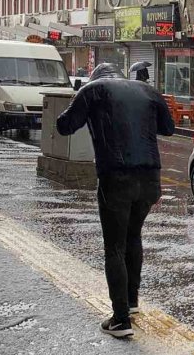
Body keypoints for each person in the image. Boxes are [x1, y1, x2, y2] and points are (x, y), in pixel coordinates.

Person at [56, 63, 175, 338]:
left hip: (116, 177)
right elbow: (168, 128)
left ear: (95, 77)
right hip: (150, 179)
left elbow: (64, 126)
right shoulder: (148, 90)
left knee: (115, 248)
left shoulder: (92, 90)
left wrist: (80, 98)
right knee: (134, 236)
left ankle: (120, 320)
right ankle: (131, 302)